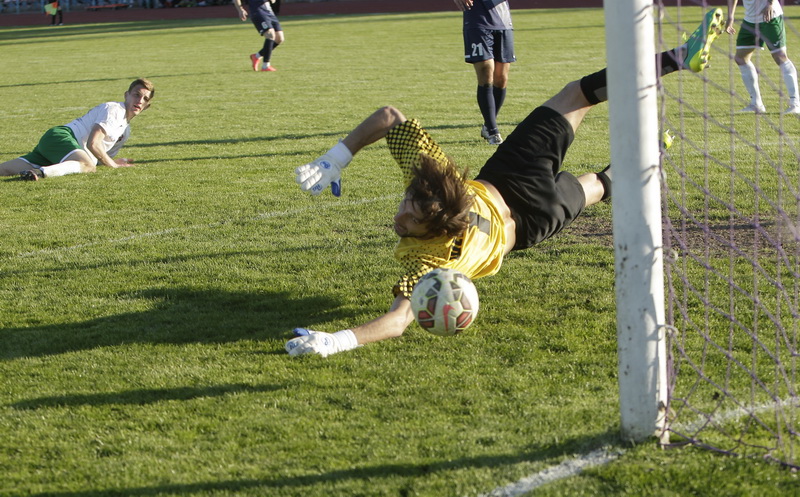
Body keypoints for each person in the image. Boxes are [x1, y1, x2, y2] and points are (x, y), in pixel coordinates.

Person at [285, 10, 723, 358]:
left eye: (410, 215)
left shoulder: (433, 254)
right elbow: (389, 117)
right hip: (520, 195)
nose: (400, 217)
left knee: (596, 172)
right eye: (407, 209)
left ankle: (658, 125)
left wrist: (336, 340)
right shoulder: (439, 182)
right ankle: (677, 65)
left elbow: (399, 321)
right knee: (588, 133)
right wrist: (335, 159)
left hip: (527, 209)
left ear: (436, 226)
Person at [0, 79, 154, 181]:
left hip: (61, 150)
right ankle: (41, 173)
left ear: (147, 106)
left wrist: (112, 161)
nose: (139, 101)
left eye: (145, 99)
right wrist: (113, 165)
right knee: (87, 165)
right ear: (126, 95)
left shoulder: (125, 131)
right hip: (62, 138)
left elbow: (100, 157)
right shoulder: (115, 110)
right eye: (136, 95)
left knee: (5, 170)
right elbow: (93, 144)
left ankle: (36, 170)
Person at [455, 0, 515, 145]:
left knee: (501, 78)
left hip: (503, 20)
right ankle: (493, 130)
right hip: (477, 19)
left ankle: (488, 125)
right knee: (486, 70)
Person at [724, 0, 800, 114]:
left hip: (770, 17)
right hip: (750, 20)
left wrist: (770, 4)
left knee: (780, 57)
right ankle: (756, 104)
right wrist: (730, 16)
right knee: (741, 58)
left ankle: (795, 104)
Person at [233, 0, 284, 72]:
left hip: (269, 11)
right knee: (270, 35)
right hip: (258, 12)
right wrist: (240, 10)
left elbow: (273, 1)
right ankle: (266, 66)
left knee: (279, 38)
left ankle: (256, 56)